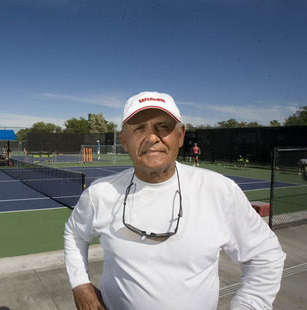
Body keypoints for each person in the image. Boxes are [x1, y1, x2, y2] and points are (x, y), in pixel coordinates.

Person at [64, 91, 285, 310]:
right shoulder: (100, 194)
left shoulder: (219, 191)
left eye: (163, 126)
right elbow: (74, 234)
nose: (152, 137)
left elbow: (265, 254)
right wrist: (81, 286)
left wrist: (249, 305)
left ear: (180, 136)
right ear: (124, 140)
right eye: (139, 128)